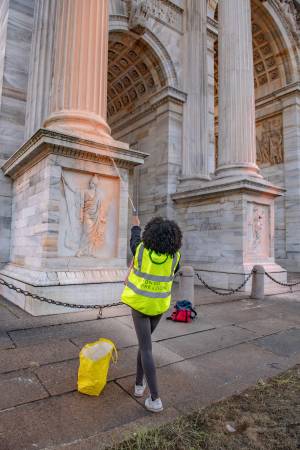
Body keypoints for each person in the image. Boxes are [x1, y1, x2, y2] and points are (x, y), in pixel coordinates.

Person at [122, 215, 182, 413]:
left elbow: (135, 241)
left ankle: (155, 398)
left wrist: (135, 226)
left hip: (140, 305)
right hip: (159, 306)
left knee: (146, 349)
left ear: (150, 235)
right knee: (144, 344)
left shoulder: (140, 251)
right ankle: (139, 385)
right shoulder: (175, 257)